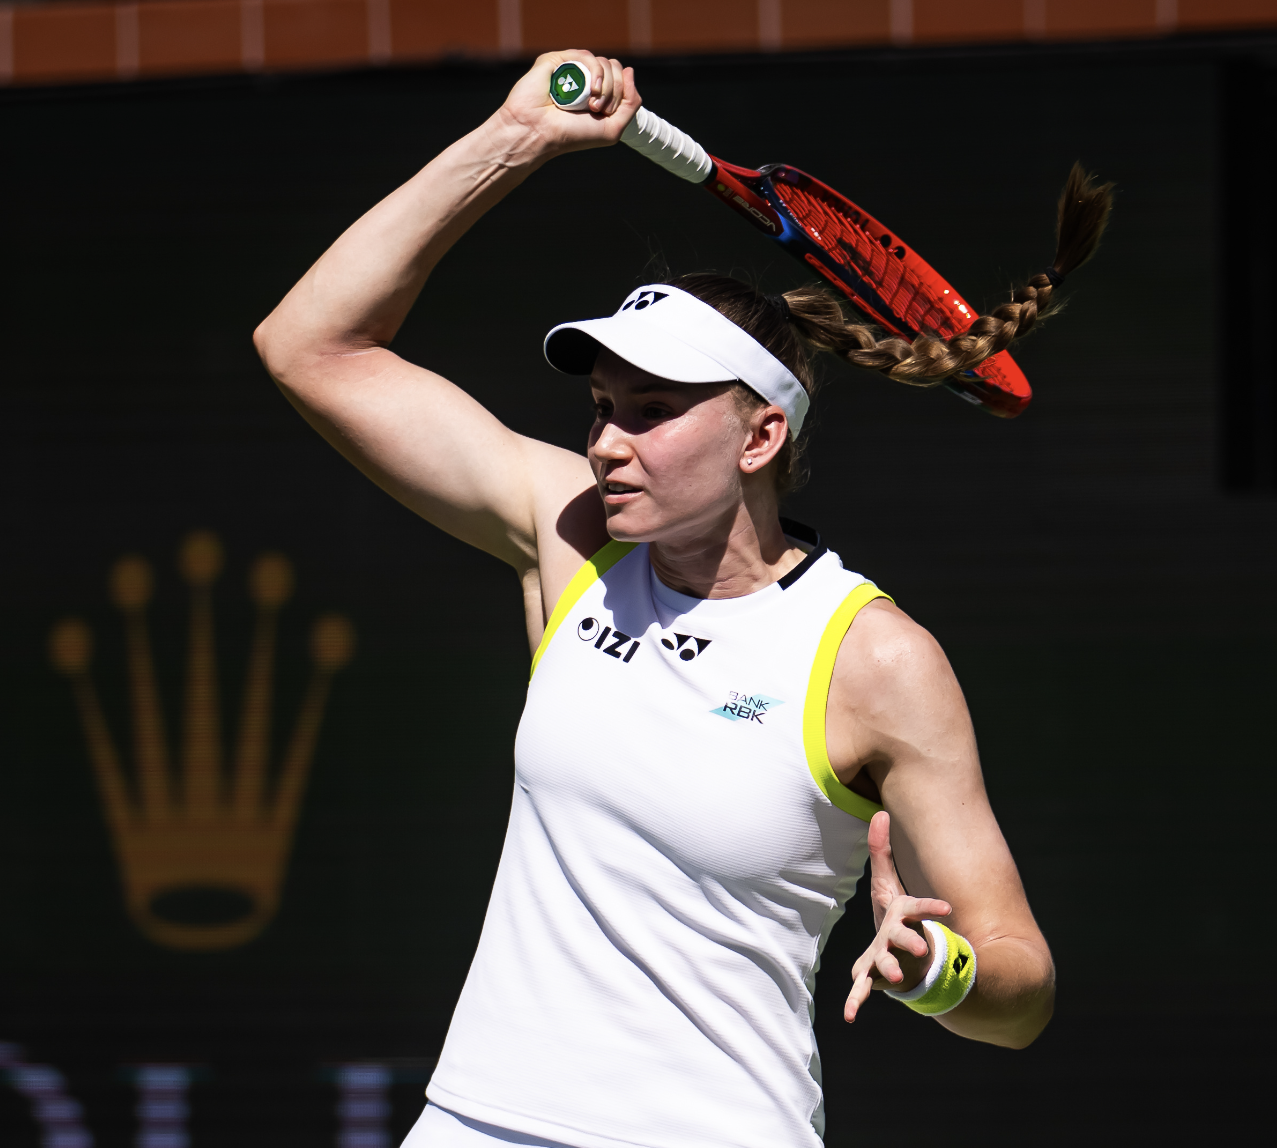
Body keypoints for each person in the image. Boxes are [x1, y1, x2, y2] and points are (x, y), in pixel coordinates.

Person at [256, 49, 1107, 1148]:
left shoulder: (874, 657)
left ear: (761, 436)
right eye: (602, 405)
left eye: (652, 411)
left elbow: (1020, 985)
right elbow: (308, 347)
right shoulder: (572, 538)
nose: (607, 442)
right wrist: (517, 137)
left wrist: (940, 970)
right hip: (476, 1122)